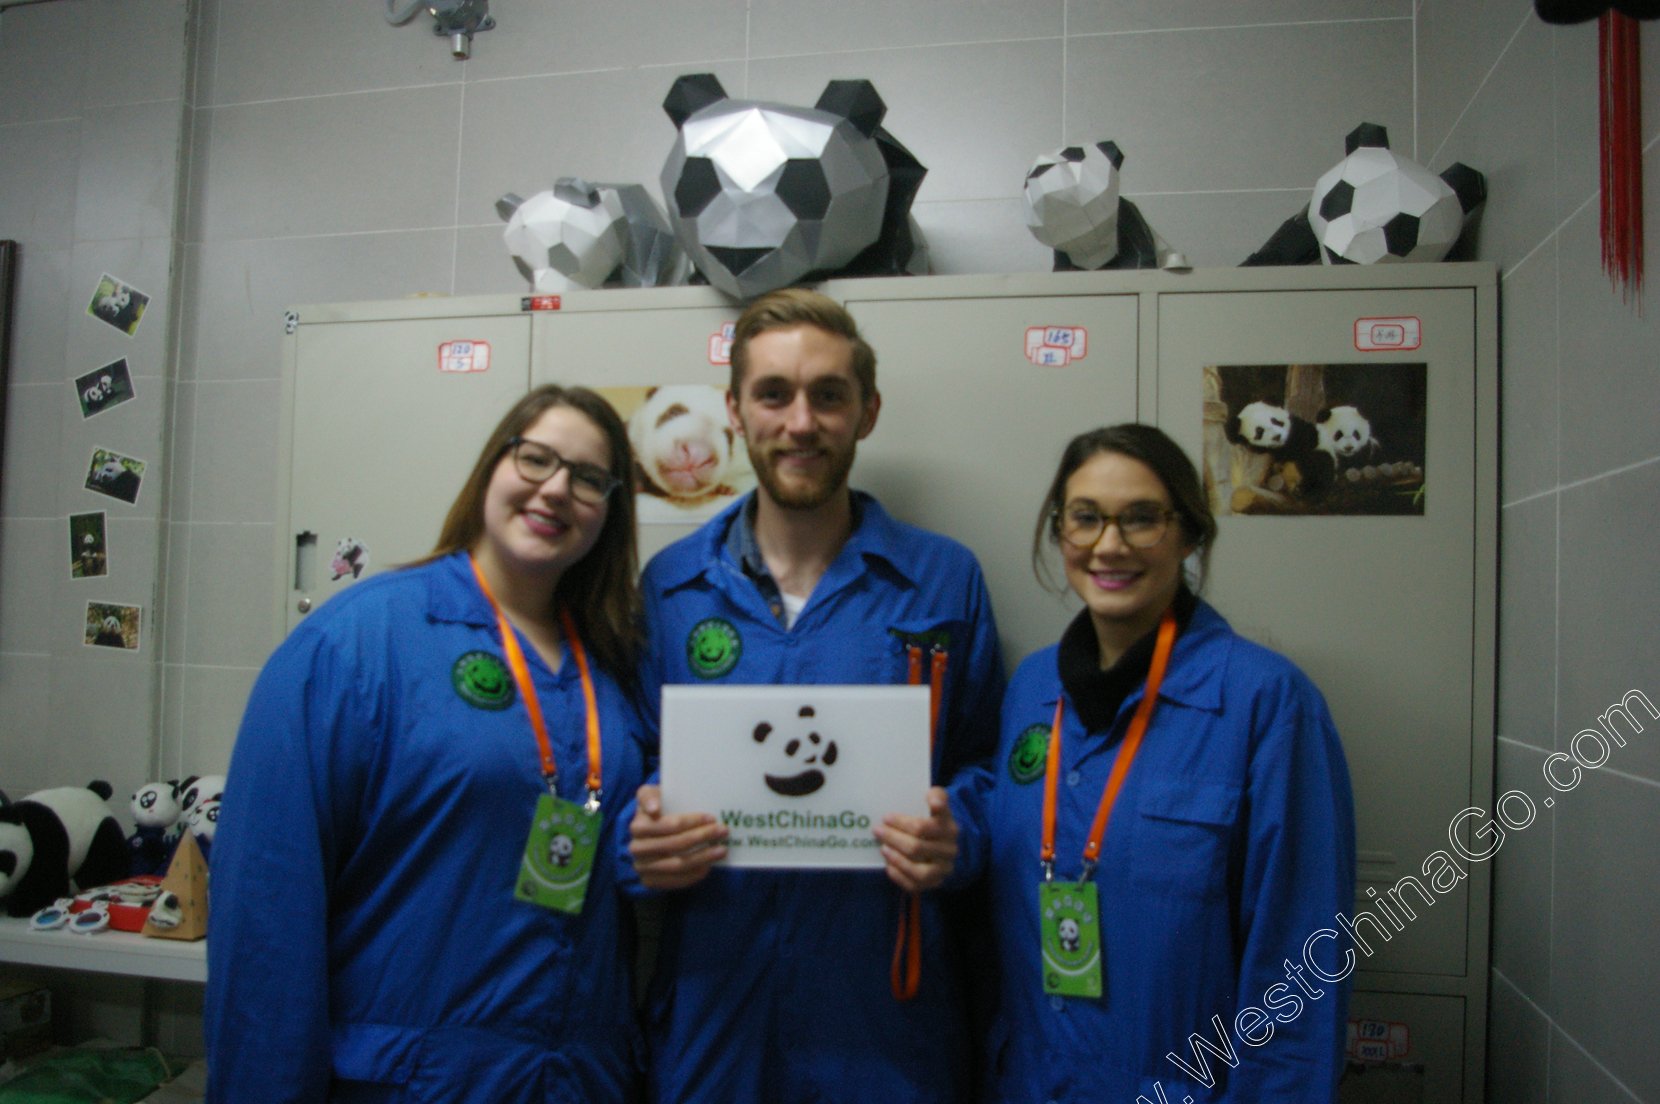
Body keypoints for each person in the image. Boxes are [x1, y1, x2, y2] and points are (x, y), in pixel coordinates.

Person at [206, 385, 650, 1103]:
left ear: (611, 509)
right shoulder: (356, 645)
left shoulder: (615, 666)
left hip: (577, 1078)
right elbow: (266, 915)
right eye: (535, 459)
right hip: (415, 1079)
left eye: (589, 478)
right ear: (491, 470)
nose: (557, 489)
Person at [624, 288, 1005, 1103]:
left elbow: (987, 766)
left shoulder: (943, 580)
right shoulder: (672, 587)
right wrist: (638, 833)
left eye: (828, 396)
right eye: (774, 394)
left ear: (866, 412)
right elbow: (629, 765)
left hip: (887, 1029)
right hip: (714, 1020)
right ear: (734, 412)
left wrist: (958, 836)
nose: (801, 423)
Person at [950, 424, 1356, 1102]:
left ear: (1190, 535)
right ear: (1060, 534)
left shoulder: (1266, 703)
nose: (1110, 545)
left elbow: (1300, 965)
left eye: (1142, 518)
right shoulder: (1031, 688)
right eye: (1086, 519)